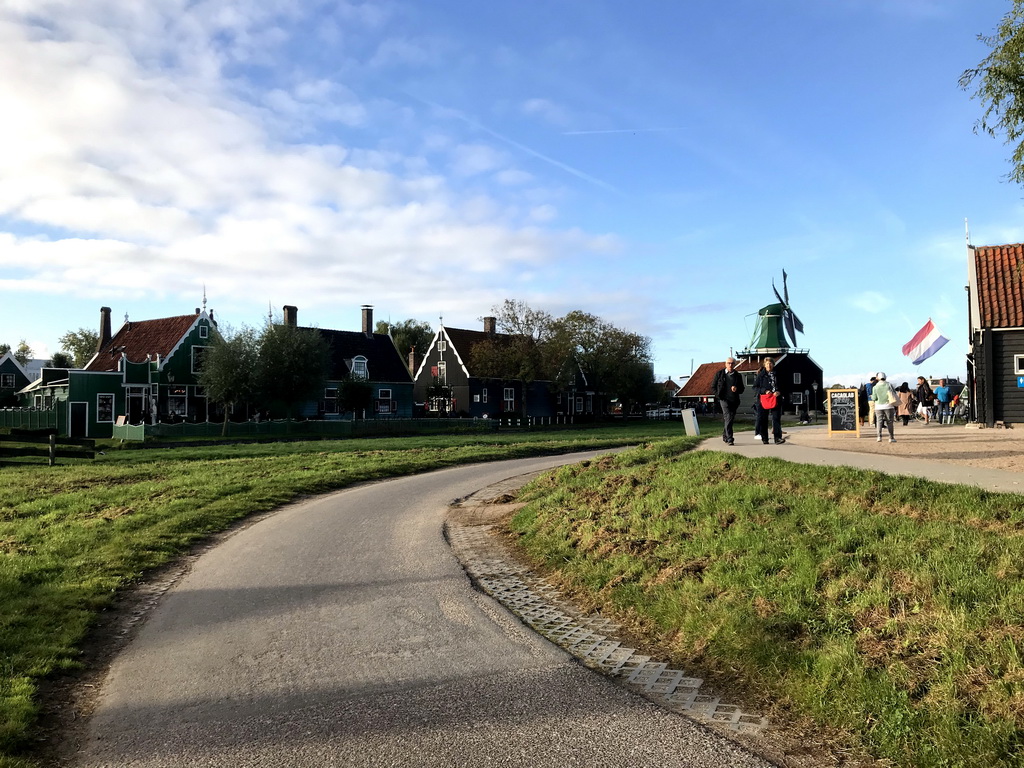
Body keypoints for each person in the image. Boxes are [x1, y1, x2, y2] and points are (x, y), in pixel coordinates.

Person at [712, 357, 745, 446]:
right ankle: (730, 438)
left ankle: (725, 435)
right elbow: (713, 387)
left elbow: (742, 389)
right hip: (724, 399)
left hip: (734, 400)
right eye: (728, 363)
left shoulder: (738, 375)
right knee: (728, 416)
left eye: (732, 363)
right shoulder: (719, 374)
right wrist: (718, 396)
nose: (730, 365)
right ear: (725, 364)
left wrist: (736, 389)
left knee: (729, 419)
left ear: (735, 364)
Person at [753, 357, 785, 444]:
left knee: (776, 418)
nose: (769, 365)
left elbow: (784, 386)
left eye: (770, 363)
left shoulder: (778, 374)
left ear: (773, 364)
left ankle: (778, 438)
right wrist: (764, 391)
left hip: (776, 398)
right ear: (764, 365)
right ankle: (765, 438)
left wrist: (779, 391)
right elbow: (755, 387)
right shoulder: (761, 375)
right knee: (763, 419)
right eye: (767, 363)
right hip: (764, 399)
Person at [872, 371, 897, 443]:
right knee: (889, 421)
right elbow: (894, 393)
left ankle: (879, 436)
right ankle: (891, 437)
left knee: (879, 421)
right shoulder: (889, 385)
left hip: (878, 406)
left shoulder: (875, 387)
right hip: (889, 405)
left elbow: (874, 398)